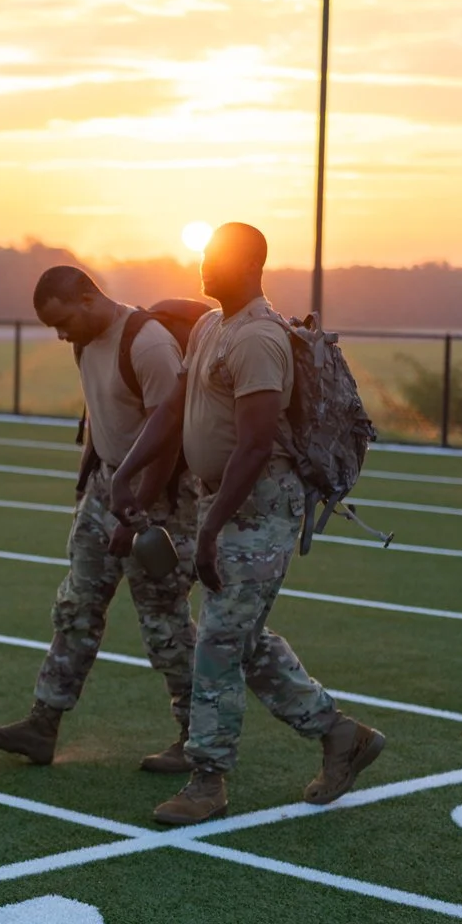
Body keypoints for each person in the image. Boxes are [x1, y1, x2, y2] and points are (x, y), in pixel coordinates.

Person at [134, 223, 386, 825]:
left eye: (216, 259)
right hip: (221, 502)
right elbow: (175, 407)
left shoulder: (257, 339)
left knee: (219, 644)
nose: (204, 267)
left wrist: (212, 529)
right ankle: (338, 732)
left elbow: (253, 447)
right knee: (241, 638)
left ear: (250, 265)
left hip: (258, 508)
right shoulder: (210, 326)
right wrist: (130, 475)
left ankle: (208, 780)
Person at [0, 266, 199, 772]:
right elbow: (100, 415)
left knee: (164, 623)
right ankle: (42, 725)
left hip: (157, 502)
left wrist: (134, 510)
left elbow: (170, 436)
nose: (60, 335)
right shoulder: (85, 342)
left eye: (63, 321)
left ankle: (196, 736)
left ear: (90, 298)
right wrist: (89, 485)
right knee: (76, 607)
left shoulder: (149, 344)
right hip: (105, 490)